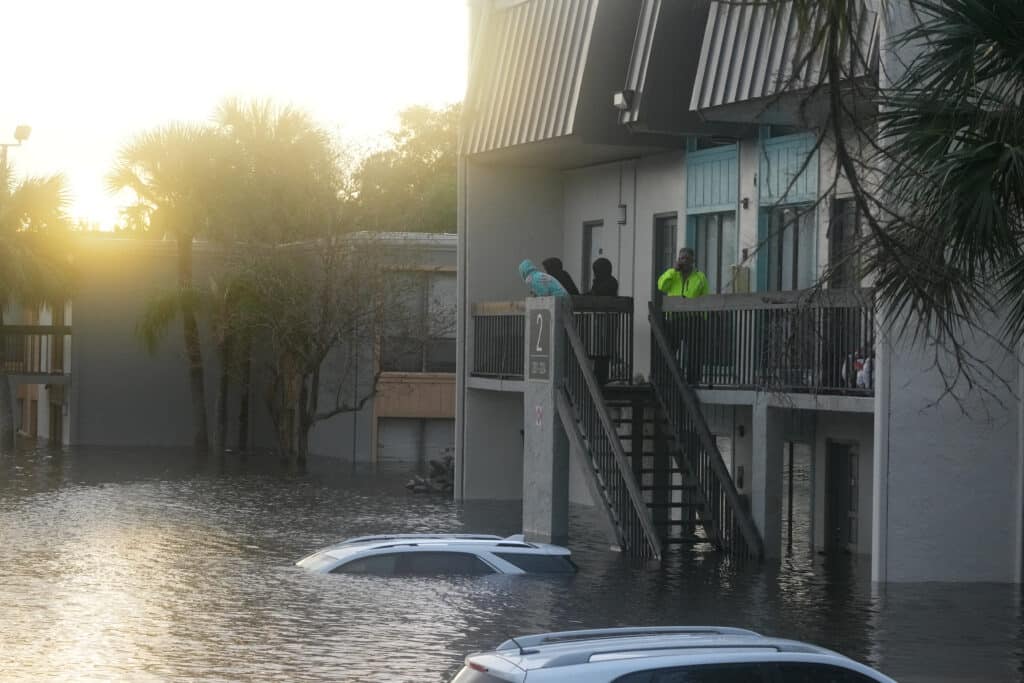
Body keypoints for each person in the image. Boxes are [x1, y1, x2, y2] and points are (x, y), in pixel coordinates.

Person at [657, 248, 708, 384]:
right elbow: (662, 286)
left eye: (686, 258)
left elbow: (705, 298)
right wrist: (673, 270)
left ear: (692, 261)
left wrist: (704, 318)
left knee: (694, 352)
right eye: (681, 258)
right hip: (674, 318)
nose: (683, 261)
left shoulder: (700, 277)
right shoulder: (673, 275)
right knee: (671, 349)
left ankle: (693, 380)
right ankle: (670, 378)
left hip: (693, 319)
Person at [586, 257, 619, 384]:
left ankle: (601, 380)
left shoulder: (611, 282)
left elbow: (598, 294)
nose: (595, 273)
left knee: (603, 352)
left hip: (606, 323)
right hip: (597, 323)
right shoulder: (598, 281)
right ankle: (597, 380)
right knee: (597, 352)